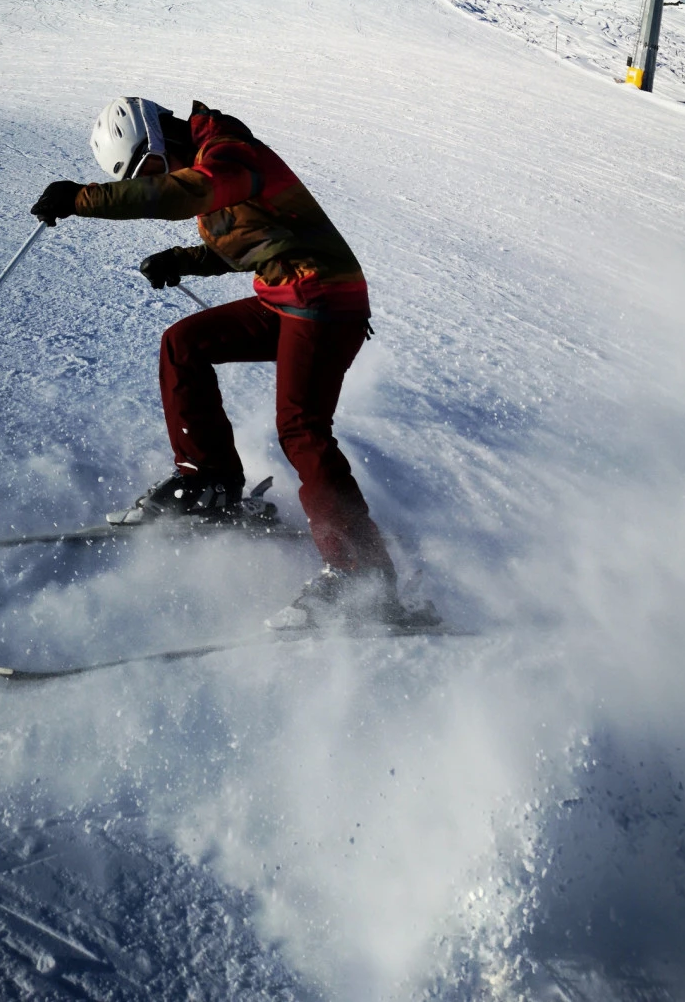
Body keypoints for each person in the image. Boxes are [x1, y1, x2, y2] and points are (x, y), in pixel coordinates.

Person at [31, 98, 422, 627]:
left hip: (325, 299)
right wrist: (182, 260)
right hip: (287, 296)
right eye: (145, 174)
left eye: (150, 164)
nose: (157, 175)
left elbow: (183, 193)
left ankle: (365, 578)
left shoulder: (230, 154)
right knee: (183, 344)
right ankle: (207, 481)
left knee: (301, 429)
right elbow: (249, 242)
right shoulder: (211, 168)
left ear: (158, 135)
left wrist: (82, 199)